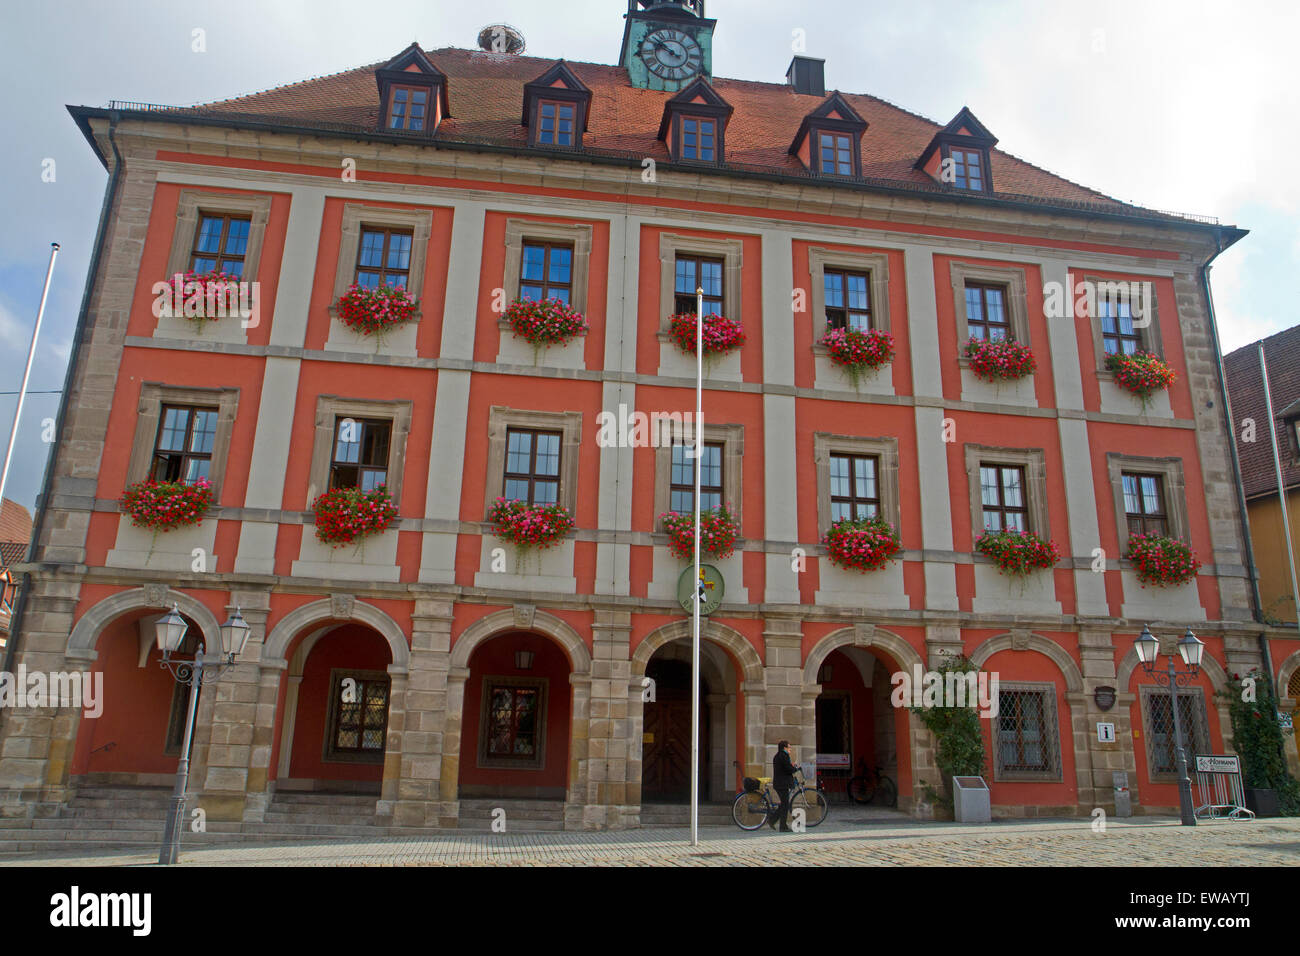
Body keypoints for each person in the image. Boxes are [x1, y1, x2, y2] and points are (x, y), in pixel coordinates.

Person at [770, 739, 799, 832]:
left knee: (784, 804)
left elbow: (785, 767)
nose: (790, 749)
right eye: (789, 747)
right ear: (784, 748)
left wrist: (791, 766)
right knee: (785, 804)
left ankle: (773, 820)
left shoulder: (778, 756)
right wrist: (795, 768)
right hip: (782, 784)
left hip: (779, 783)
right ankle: (782, 826)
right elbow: (788, 769)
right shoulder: (784, 756)